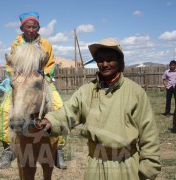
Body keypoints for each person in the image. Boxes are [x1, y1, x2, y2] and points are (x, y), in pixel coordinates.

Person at [39, 38, 161, 179]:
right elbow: (68, 112)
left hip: (126, 165)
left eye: (110, 59)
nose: (105, 64)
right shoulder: (86, 91)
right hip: (96, 165)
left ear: (119, 61)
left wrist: (149, 167)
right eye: (101, 60)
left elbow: (148, 132)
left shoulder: (135, 92)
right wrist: (49, 121)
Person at [0, 12, 67, 169]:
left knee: (58, 106)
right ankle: (8, 148)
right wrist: (15, 77)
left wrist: (44, 76)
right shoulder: (16, 44)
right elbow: (11, 64)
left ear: (38, 28)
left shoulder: (46, 44)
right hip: (21, 82)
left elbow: (50, 63)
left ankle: (58, 148)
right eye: (28, 26)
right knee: (5, 109)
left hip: (40, 81)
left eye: (34, 26)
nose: (31, 29)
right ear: (22, 28)